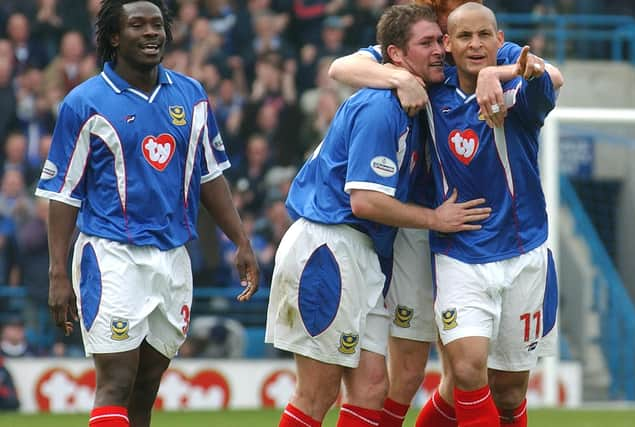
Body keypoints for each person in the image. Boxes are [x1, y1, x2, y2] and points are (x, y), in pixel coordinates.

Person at [34, 1, 260, 427]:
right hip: (112, 255)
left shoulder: (191, 95)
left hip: (174, 257)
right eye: (137, 25)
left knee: (147, 384)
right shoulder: (84, 103)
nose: (151, 32)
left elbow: (209, 176)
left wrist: (241, 240)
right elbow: (63, 195)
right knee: (117, 380)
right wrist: (58, 272)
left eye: (157, 24)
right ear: (115, 36)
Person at [265, 4, 491, 427]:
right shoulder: (380, 108)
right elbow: (365, 203)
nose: (441, 50)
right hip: (329, 247)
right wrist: (435, 219)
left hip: (366, 251)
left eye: (441, 40)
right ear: (397, 55)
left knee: (371, 389)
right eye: (428, 43)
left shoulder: (409, 100)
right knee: (317, 393)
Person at [426, 3, 562, 426]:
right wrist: (395, 77)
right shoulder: (431, 90)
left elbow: (547, 76)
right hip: (460, 254)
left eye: (484, 35)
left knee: (508, 394)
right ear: (447, 44)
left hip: (523, 255)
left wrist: (498, 74)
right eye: (464, 37)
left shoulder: (519, 91)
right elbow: (350, 66)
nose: (475, 45)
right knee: (466, 371)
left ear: (499, 40)